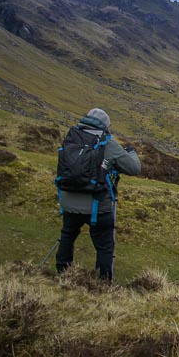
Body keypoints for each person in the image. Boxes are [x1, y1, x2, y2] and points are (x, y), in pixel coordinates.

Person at [55, 108, 140, 281]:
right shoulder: (107, 143)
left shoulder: (72, 138)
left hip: (69, 202)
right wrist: (131, 152)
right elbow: (134, 168)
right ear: (106, 125)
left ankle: (62, 275)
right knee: (104, 246)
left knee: (67, 236)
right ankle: (102, 283)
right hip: (97, 205)